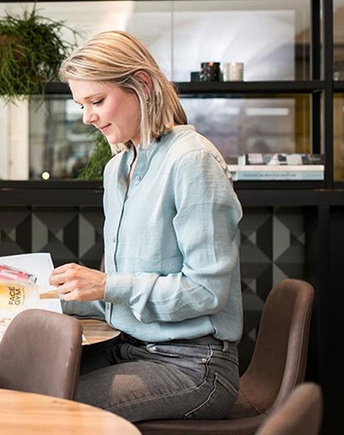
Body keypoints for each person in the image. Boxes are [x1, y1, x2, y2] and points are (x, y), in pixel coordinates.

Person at [50, 30, 243, 423]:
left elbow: (207, 293)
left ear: (142, 84)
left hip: (194, 365)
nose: (87, 117)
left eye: (97, 101)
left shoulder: (191, 161)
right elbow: (121, 294)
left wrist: (106, 284)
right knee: (15, 387)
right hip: (132, 346)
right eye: (81, 105)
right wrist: (36, 293)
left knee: (49, 412)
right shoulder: (118, 168)